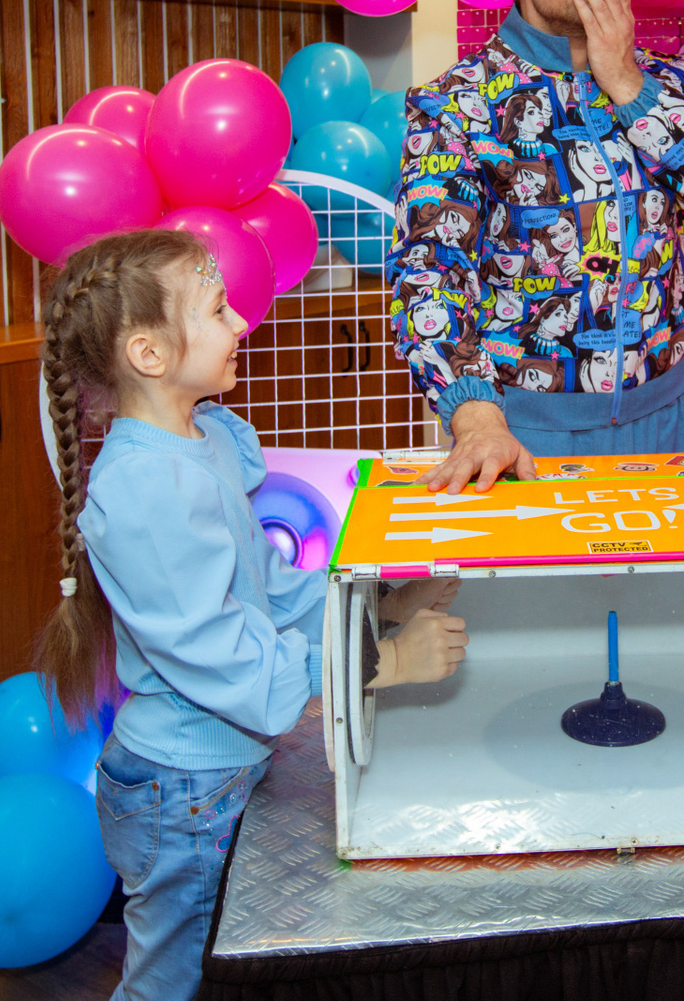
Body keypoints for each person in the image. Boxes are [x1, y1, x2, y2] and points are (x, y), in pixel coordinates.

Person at [33, 229, 469, 1001]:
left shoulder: (198, 444)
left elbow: (266, 590)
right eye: (216, 309)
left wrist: (382, 606)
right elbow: (224, 652)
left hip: (216, 776)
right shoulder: (145, 490)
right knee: (174, 984)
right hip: (183, 791)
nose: (241, 323)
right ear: (148, 354)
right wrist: (386, 663)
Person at [384, 0, 684, 493]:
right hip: (524, 435)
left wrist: (631, 88)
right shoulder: (458, 104)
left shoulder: (667, 83)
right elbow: (429, 273)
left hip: (668, 420)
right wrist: (474, 415)